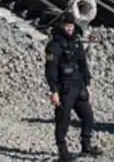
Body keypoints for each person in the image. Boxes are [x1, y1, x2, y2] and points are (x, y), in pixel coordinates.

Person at [45, 13, 100, 160]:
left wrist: (86, 82)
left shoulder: (76, 41)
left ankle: (86, 146)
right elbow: (50, 70)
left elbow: (82, 63)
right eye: (66, 25)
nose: (69, 28)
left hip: (78, 86)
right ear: (61, 26)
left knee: (88, 116)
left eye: (71, 25)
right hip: (64, 88)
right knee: (63, 119)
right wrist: (54, 91)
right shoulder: (54, 45)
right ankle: (62, 151)